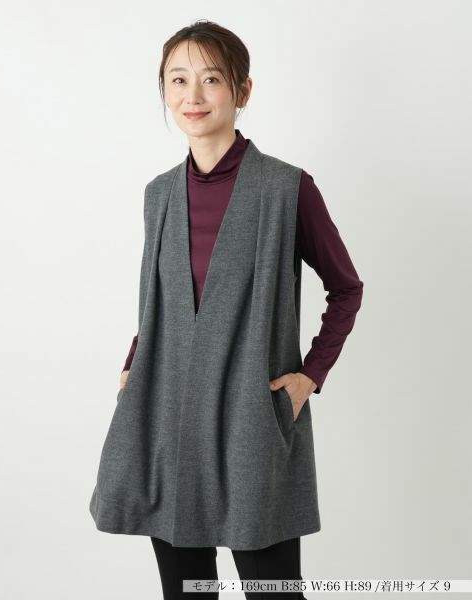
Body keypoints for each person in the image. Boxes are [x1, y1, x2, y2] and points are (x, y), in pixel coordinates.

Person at [89, 20, 364, 600]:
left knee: (273, 591)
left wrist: (309, 376)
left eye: (211, 79)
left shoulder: (287, 189)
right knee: (188, 592)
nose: (193, 95)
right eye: (178, 79)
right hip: (166, 417)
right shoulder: (158, 195)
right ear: (164, 91)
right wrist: (134, 363)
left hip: (250, 420)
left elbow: (346, 289)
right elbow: (161, 302)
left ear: (243, 91)